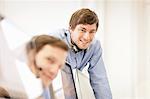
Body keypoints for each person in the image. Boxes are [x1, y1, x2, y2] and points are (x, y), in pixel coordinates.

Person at [49, 8, 112, 99]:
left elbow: (100, 81)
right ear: (71, 28)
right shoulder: (55, 40)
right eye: (82, 30)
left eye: (92, 32)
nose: (87, 37)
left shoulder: (95, 46)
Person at [25, 35, 69, 99]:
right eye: (50, 60)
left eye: (59, 67)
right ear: (31, 55)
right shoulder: (10, 89)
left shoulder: (46, 91)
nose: (54, 71)